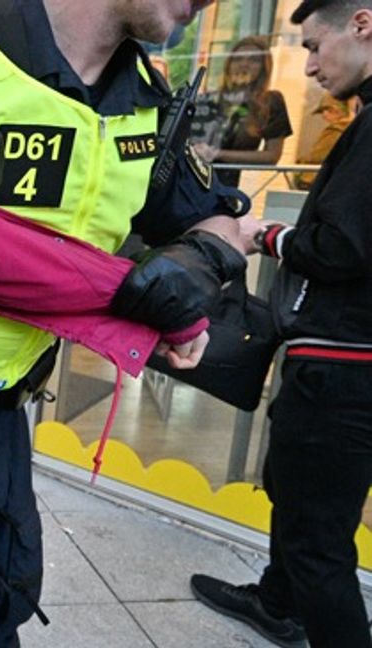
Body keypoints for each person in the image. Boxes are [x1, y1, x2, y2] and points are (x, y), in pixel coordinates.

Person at [0, 1, 258, 645]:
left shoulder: (143, 101)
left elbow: (221, 218)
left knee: (4, 606)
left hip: (7, 430)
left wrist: (200, 257)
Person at [190, 1, 372, 646]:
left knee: (317, 544)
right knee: (311, 509)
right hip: (349, 361)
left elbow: (343, 247)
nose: (312, 64)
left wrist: (267, 234)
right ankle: (276, 600)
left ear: (362, 24)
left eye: (316, 45)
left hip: (344, 363)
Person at [197, 35, 294, 188]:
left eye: (254, 60)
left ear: (264, 67)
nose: (244, 64)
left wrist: (218, 154)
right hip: (191, 179)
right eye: (238, 59)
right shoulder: (209, 99)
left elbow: (272, 156)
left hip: (226, 185)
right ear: (229, 63)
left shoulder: (269, 102)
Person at [291, 93, 354, 189]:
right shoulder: (355, 127)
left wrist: (301, 160)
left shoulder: (334, 130)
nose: (324, 115)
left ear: (337, 110)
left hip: (315, 179)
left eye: (328, 110)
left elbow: (318, 155)